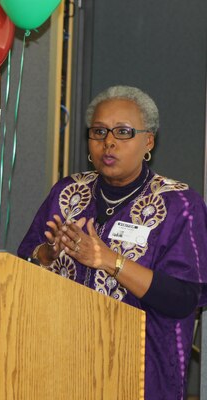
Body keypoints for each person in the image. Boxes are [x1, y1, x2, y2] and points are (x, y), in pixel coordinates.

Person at [18, 85, 207, 400]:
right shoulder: (67, 194)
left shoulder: (179, 204)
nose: (109, 142)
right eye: (99, 131)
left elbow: (185, 298)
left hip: (143, 372)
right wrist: (48, 255)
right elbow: (23, 271)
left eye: (123, 132)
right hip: (62, 365)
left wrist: (109, 261)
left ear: (148, 141)